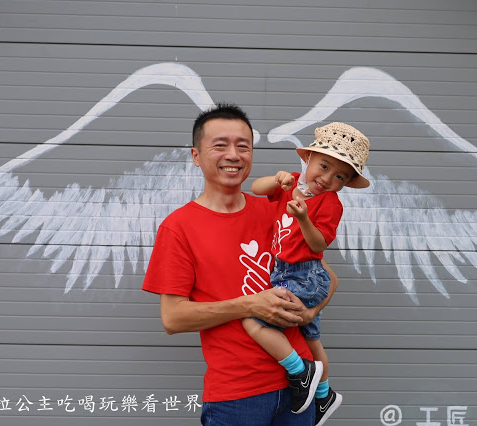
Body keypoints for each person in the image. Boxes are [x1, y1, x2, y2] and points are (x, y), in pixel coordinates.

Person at [142, 103, 338, 426]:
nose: (233, 155)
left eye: (243, 146)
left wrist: (309, 312)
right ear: (196, 156)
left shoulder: (278, 209)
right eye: (220, 145)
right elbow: (172, 318)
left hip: (298, 392)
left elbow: (327, 277)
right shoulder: (178, 228)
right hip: (235, 397)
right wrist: (249, 305)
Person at [241, 122, 370, 425]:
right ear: (308, 158)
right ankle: (324, 395)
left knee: (253, 320)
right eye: (324, 167)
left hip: (303, 276)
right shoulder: (290, 184)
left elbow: (318, 244)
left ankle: (301, 372)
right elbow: (256, 188)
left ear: (346, 183)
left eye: (340, 177)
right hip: (285, 272)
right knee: (312, 339)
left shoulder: (330, 203)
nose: (327, 179)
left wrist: (303, 218)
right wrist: (277, 179)